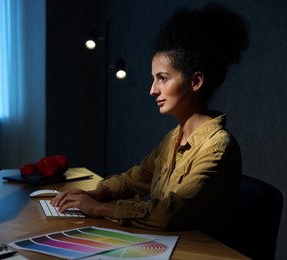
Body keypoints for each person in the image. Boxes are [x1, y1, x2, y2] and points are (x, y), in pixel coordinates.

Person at [51, 3, 249, 236]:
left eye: (162, 78)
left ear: (196, 81)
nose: (152, 90)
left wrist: (99, 208)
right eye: (153, 79)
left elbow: (169, 213)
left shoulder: (218, 146)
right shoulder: (174, 137)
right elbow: (136, 178)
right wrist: (96, 194)